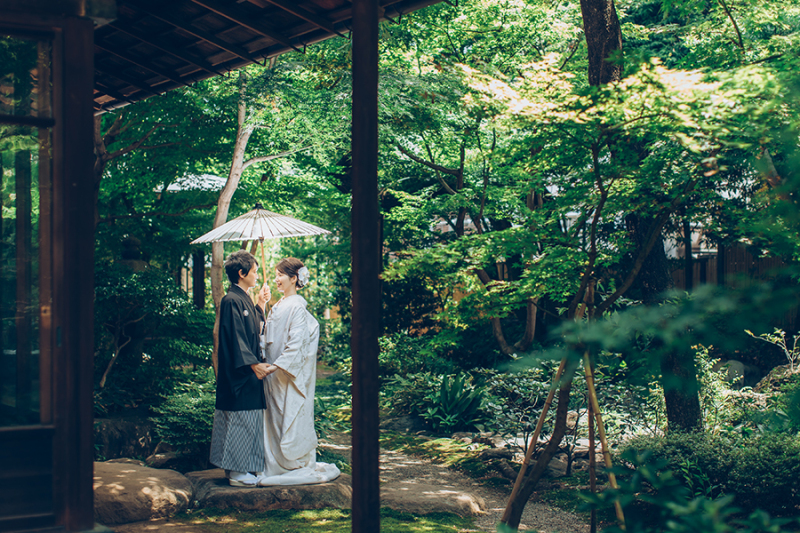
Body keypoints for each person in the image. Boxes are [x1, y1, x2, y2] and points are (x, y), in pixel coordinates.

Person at [258, 257, 340, 486]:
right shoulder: (278, 305)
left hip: (285, 374)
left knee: (287, 416)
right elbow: (268, 337)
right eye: (275, 275)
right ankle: (274, 464)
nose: (276, 279)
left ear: (294, 278)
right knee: (274, 419)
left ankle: (291, 463)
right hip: (271, 374)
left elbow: (297, 344)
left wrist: (276, 366)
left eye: (281, 275)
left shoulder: (296, 307)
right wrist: (262, 306)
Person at [209, 250, 275, 487]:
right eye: (254, 272)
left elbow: (254, 327)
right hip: (239, 373)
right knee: (239, 419)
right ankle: (237, 473)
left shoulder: (243, 298)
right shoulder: (231, 300)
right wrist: (253, 364)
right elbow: (236, 336)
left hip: (246, 371)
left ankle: (239, 469)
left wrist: (261, 304)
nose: (257, 275)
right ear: (242, 273)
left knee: (247, 419)